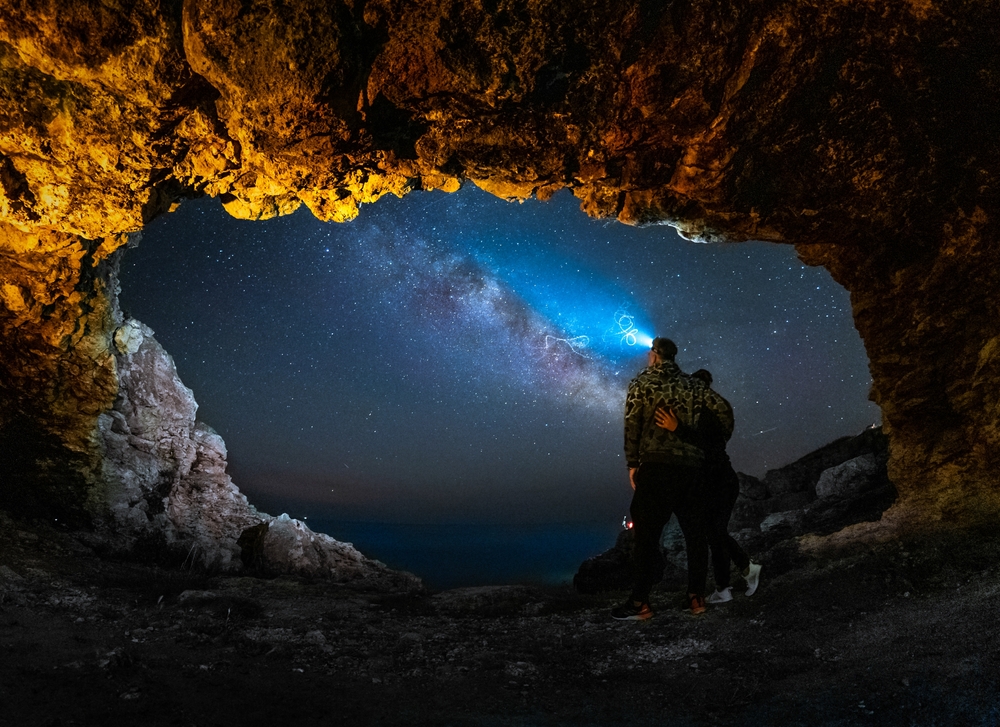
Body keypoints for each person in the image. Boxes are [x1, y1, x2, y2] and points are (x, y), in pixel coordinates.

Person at [612, 338, 734, 621]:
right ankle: (696, 598)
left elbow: (632, 423)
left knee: (646, 535)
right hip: (691, 468)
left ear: (655, 355)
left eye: (650, 353)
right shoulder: (694, 385)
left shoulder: (641, 383)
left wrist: (632, 463)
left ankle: (640, 602)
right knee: (695, 533)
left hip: (656, 466)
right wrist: (710, 444)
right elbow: (724, 413)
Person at [657, 369, 761, 603]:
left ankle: (740, 574)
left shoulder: (706, 414)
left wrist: (677, 429)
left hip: (721, 483)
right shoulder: (695, 413)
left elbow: (712, 449)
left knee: (715, 533)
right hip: (712, 483)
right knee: (715, 534)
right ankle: (726, 586)